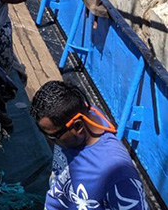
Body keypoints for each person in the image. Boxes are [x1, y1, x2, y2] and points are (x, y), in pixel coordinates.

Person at [31, 81, 148, 210]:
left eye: (53, 136)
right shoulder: (83, 112)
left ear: (77, 126)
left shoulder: (117, 174)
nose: (50, 141)